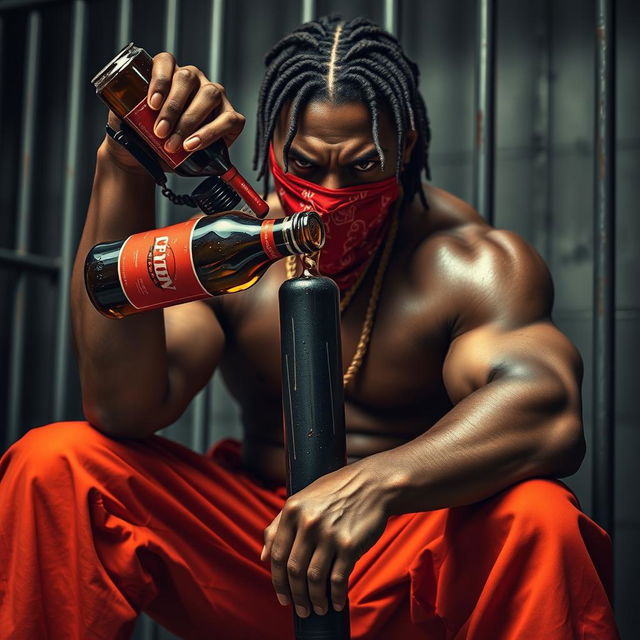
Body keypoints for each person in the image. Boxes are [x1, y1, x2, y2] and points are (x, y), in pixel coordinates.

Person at [0, 15, 620, 640]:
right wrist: (124, 162)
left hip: (407, 562)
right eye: (304, 164)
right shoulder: (231, 248)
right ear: (269, 143)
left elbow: (548, 410)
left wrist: (375, 484)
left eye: (360, 166)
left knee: (542, 517)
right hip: (257, 560)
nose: (327, 194)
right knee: (53, 465)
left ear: (404, 148)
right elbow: (122, 406)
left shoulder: (467, 262)